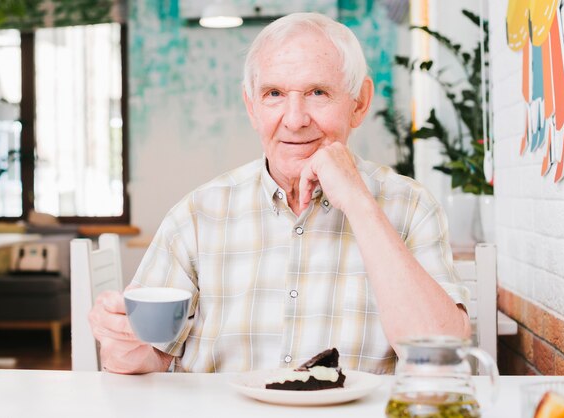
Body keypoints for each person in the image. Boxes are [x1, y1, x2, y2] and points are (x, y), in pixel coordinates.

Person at [89, 12, 470, 375]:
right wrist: (120, 338)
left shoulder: (411, 206)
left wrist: (358, 202)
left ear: (359, 103)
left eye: (317, 92)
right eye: (273, 93)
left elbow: (441, 356)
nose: (294, 119)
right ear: (251, 106)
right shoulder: (197, 215)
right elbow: (144, 357)